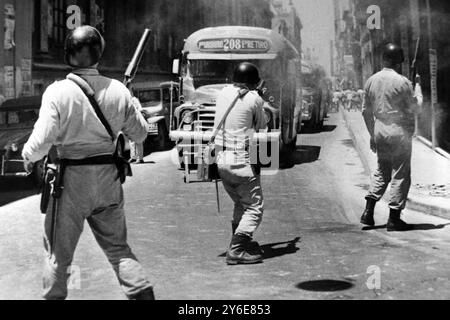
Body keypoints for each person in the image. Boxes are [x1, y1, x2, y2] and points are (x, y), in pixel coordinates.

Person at [21, 26, 154, 299]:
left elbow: (43, 140)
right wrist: (134, 108)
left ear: (68, 54)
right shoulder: (118, 90)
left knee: (58, 254)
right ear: (99, 54)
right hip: (108, 178)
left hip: (71, 181)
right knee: (118, 249)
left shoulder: (57, 92)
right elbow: (140, 134)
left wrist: (27, 157)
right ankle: (142, 293)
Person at [360, 43, 423, 232]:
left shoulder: (371, 80)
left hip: (379, 128)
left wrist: (372, 134)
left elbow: (365, 111)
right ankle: (394, 218)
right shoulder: (402, 82)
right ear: (398, 62)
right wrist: (418, 87)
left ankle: (368, 211)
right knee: (400, 173)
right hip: (398, 130)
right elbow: (415, 108)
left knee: (382, 170)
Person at [214, 62, 267, 265]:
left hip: (221, 160)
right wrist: (259, 98)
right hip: (241, 160)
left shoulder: (223, 92)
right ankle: (236, 249)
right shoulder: (254, 98)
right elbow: (262, 125)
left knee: (240, 203)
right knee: (254, 207)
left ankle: (241, 242)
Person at [129, 96, 146, 164]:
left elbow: (140, 109)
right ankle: (133, 157)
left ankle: (140, 158)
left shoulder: (134, 100)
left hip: (136, 121)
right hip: (130, 122)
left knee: (138, 140)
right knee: (131, 140)